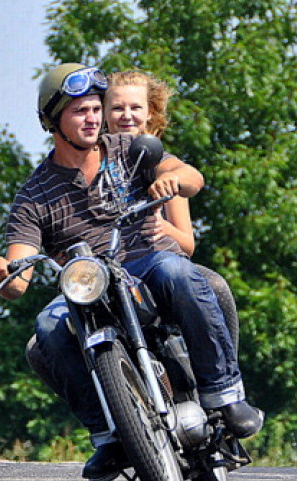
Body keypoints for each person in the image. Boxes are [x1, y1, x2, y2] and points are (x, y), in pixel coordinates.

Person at [0, 63, 262, 481]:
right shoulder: (33, 195)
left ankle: (224, 396)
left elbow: (192, 178)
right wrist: (2, 272)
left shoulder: (129, 149)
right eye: (80, 111)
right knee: (47, 326)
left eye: (96, 109)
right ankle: (109, 435)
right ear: (52, 121)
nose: (92, 119)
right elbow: (18, 278)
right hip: (89, 286)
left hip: (146, 264)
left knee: (177, 270)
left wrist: (171, 180)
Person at [104, 70, 239, 351]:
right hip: (108, 276)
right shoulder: (91, 163)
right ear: (103, 113)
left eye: (135, 107)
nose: (126, 115)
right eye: (117, 108)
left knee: (216, 287)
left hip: (160, 269)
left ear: (150, 113)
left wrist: (164, 228)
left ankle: (227, 368)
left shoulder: (162, 164)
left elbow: (187, 244)